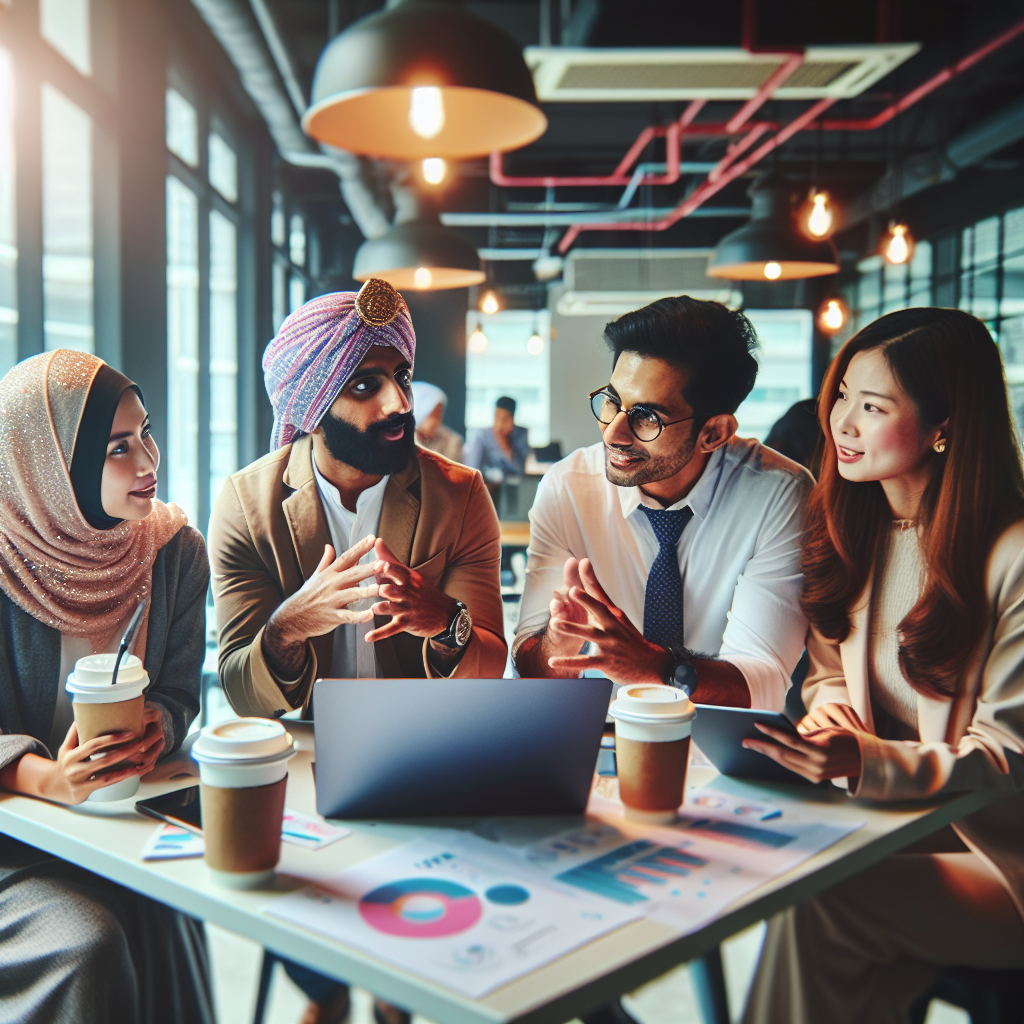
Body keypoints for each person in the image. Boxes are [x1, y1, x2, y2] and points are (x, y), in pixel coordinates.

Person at [209, 278, 506, 1024]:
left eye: (401, 378)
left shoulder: (458, 494)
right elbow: (242, 689)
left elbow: (491, 661)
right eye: (367, 385)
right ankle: (336, 991)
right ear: (312, 400)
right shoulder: (246, 503)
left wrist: (445, 621)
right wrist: (286, 627)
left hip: (424, 757)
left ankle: (386, 993)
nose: (399, 404)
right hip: (305, 765)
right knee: (287, 876)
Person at [740, 308, 1024, 1023]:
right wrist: (833, 714)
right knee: (769, 864)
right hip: (892, 822)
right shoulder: (856, 527)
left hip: (998, 856)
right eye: (841, 397)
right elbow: (829, 670)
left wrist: (866, 762)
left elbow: (1007, 762)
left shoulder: (1012, 558)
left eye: (873, 407)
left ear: (943, 426)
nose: (842, 424)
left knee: (821, 897)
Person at [0, 350, 213, 1024]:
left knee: (174, 904)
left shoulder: (175, 551)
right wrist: (45, 778)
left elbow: (181, 691)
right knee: (85, 943)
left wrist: (162, 723)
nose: (150, 460)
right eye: (119, 446)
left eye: (145, 432)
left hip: (120, 823)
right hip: (14, 837)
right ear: (49, 465)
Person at [514, 295, 812, 714]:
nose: (613, 433)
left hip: (718, 748)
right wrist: (558, 642)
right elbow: (528, 671)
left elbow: (763, 683)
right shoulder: (568, 487)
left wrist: (653, 667)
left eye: (647, 417)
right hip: (598, 734)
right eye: (612, 402)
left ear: (714, 433)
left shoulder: (778, 494)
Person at [464, 395, 531, 481]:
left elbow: (521, 471)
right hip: (486, 487)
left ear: (511, 419)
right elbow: (471, 469)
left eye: (504, 419)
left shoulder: (520, 434)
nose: (499, 424)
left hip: (512, 488)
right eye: (497, 417)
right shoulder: (482, 435)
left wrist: (505, 445)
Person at [411, 381, 464, 463]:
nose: (435, 422)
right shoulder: (402, 439)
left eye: (438, 415)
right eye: (431, 415)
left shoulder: (452, 441)